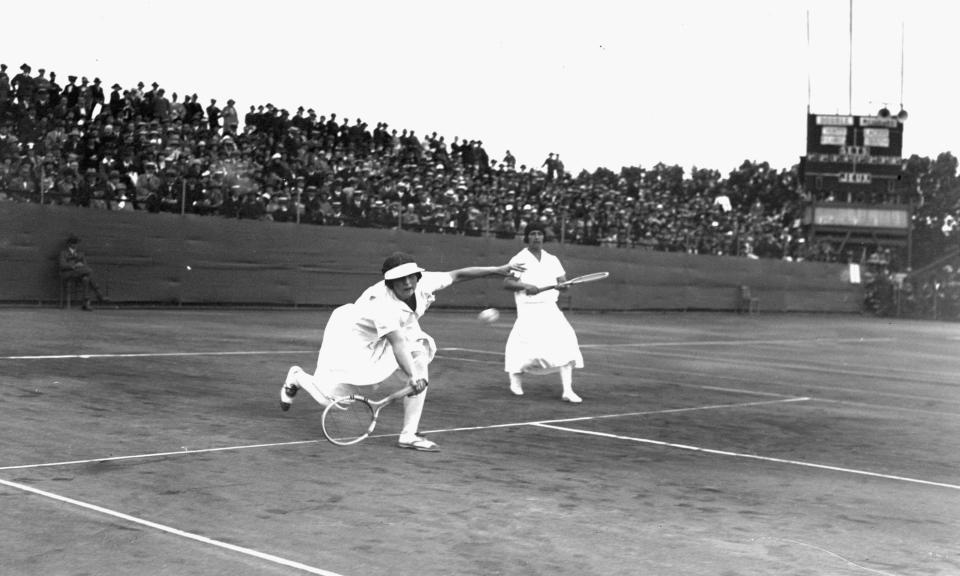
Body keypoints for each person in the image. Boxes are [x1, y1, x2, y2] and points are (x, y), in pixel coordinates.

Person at [280, 252, 524, 451]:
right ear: (390, 283)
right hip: (352, 336)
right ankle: (298, 377)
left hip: (396, 331)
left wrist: (498, 269)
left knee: (420, 355)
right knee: (331, 400)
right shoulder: (382, 303)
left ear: (417, 275)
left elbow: (458, 274)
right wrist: (411, 377)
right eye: (400, 280)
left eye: (411, 277)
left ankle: (408, 434)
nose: (407, 283)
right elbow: (397, 343)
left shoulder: (423, 282)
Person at [502, 222, 584, 402]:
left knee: (567, 343)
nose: (537, 237)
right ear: (526, 237)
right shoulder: (519, 259)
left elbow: (563, 283)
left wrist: (563, 286)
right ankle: (515, 380)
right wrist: (525, 285)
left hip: (550, 309)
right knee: (526, 351)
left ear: (543, 237)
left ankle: (567, 390)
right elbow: (507, 283)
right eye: (532, 234)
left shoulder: (552, 259)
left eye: (539, 233)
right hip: (528, 310)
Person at [58, 234, 108, 311]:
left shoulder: (81, 254)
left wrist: (81, 266)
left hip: (80, 273)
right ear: (69, 244)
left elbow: (85, 265)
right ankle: (99, 294)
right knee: (89, 271)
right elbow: (62, 265)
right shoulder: (63, 253)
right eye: (73, 243)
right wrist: (75, 265)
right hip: (68, 273)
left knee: (86, 279)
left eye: (76, 243)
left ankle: (86, 303)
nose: (75, 245)